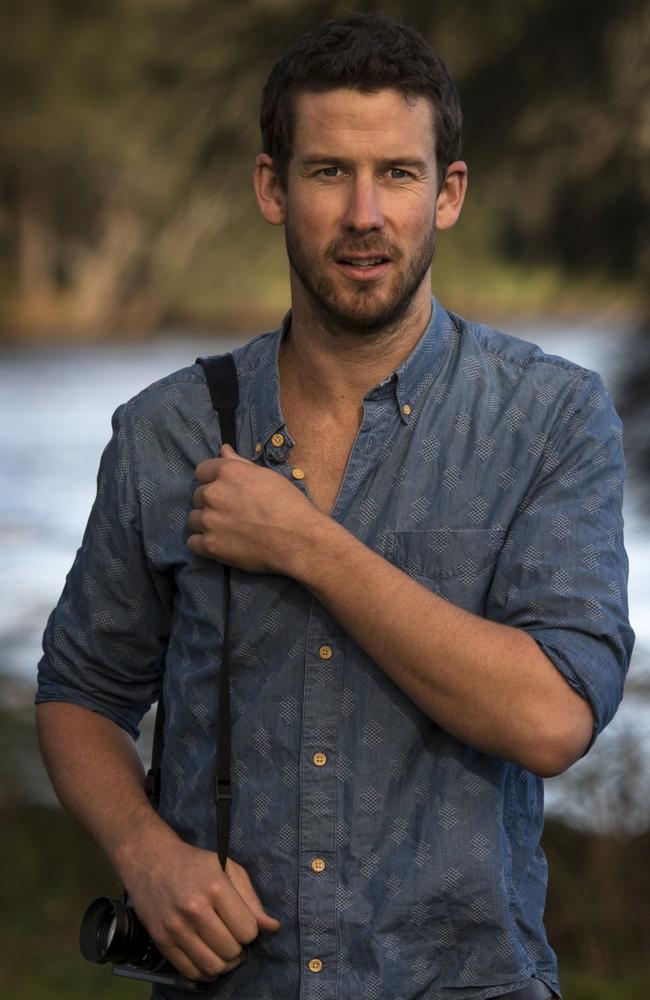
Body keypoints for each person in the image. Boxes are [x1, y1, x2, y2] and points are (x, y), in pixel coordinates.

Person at [36, 13, 633, 1000]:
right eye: (328, 173)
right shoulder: (164, 432)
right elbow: (79, 693)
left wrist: (305, 543)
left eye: (397, 174)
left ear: (446, 194)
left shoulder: (550, 419)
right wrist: (145, 854)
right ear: (272, 187)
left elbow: (550, 717)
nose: (364, 212)